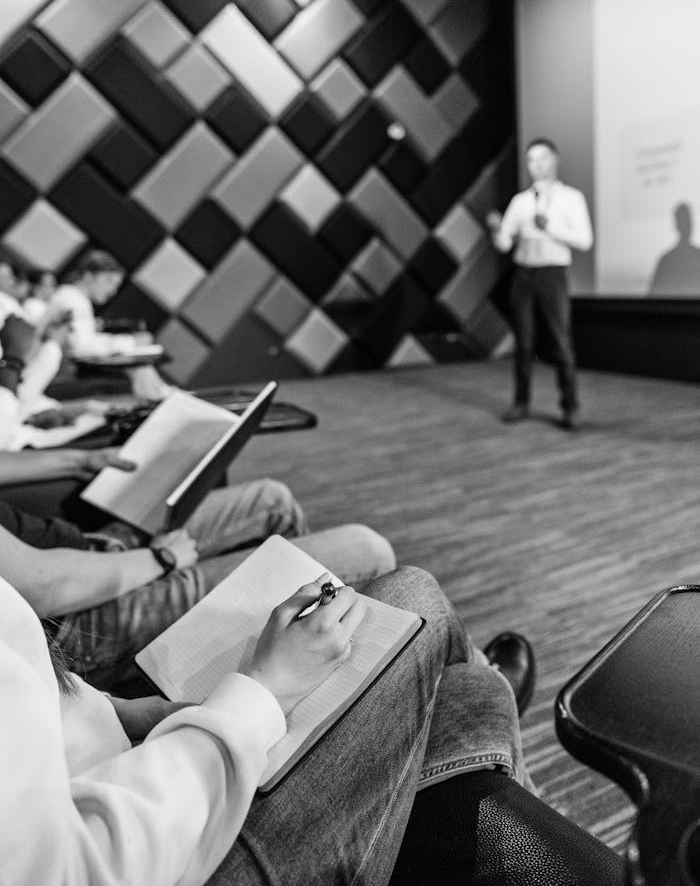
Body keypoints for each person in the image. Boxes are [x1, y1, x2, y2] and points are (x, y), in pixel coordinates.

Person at [0, 563, 535, 886]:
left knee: (476, 696)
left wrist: (111, 709)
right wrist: (266, 686)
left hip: (127, 790)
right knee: (419, 601)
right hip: (167, 860)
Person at [0, 479, 397, 691]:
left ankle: (311, 653)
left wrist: (81, 458)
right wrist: (161, 560)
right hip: (68, 619)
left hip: (84, 546)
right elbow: (44, 585)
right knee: (368, 549)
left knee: (270, 497)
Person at [487, 139, 593, 430]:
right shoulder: (520, 202)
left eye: (542, 158)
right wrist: (497, 230)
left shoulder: (572, 198)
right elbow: (504, 244)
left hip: (552, 273)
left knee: (561, 341)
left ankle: (570, 406)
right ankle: (521, 402)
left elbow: (585, 240)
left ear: (555, 160)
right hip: (523, 275)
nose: (537, 164)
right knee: (524, 342)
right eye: (531, 159)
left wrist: (551, 228)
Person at [45, 248, 172, 401]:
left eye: (116, 285)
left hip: (66, 367)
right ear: (88, 276)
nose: (112, 291)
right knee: (139, 365)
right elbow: (82, 348)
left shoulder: (74, 298)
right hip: (62, 373)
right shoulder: (72, 300)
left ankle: (162, 397)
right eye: (109, 281)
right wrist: (130, 342)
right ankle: (162, 399)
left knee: (140, 365)